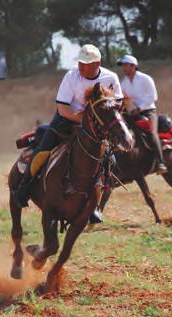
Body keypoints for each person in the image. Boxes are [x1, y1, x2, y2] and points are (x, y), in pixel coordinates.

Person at [15, 44, 123, 222]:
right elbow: (62, 106)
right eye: (80, 63)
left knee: (110, 160)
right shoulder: (71, 76)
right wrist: (81, 121)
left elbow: (116, 106)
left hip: (97, 126)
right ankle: (24, 186)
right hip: (68, 119)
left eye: (86, 64)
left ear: (97, 63)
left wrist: (100, 123)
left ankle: (95, 206)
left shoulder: (110, 77)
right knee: (44, 147)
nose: (81, 67)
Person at [118, 54, 167, 174]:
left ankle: (161, 163)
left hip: (148, 111)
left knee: (151, 132)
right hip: (131, 113)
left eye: (125, 65)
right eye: (123, 65)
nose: (123, 68)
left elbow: (153, 96)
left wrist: (139, 108)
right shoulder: (123, 83)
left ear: (134, 66)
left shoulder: (146, 79)